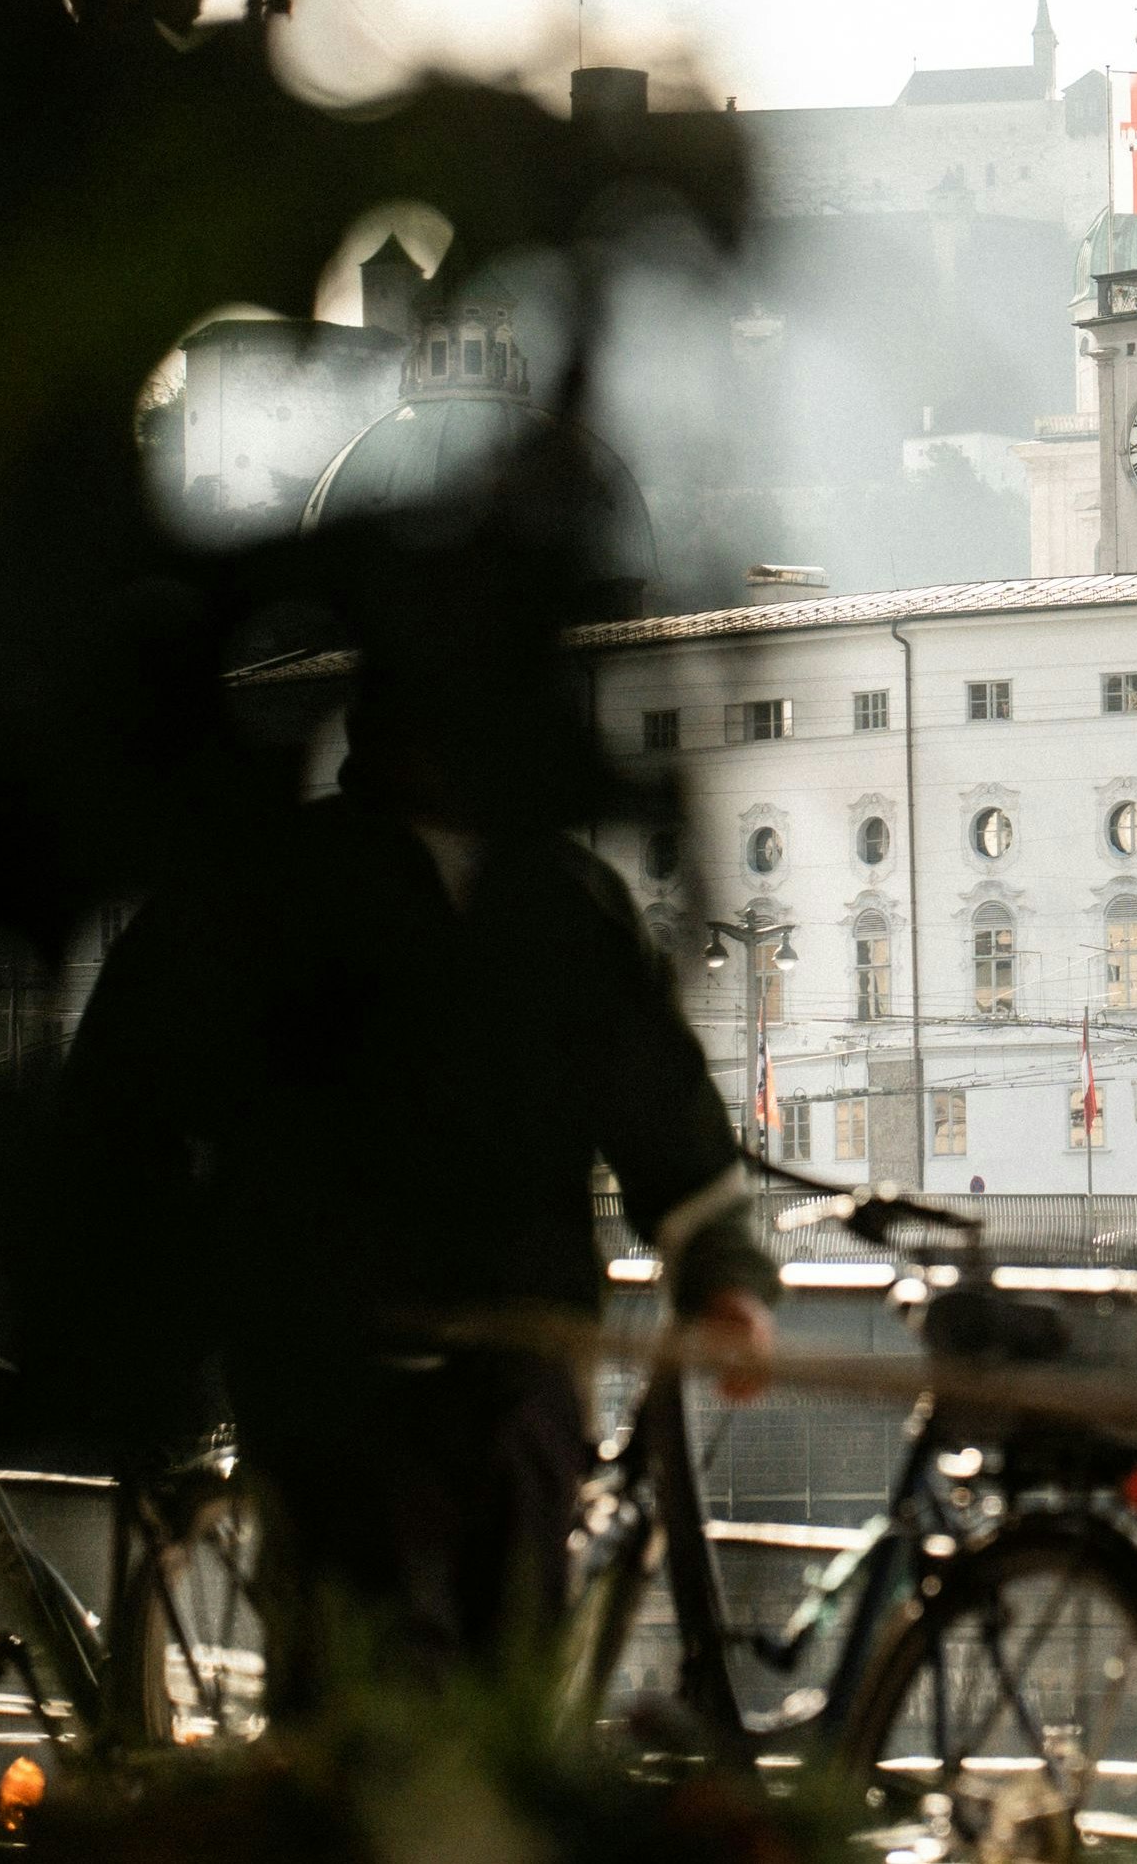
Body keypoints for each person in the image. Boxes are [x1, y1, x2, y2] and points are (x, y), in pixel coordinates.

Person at [58, 638, 776, 1717]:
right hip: (364, 1374)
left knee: (451, 1702)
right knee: (415, 1707)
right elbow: (665, 1115)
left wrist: (721, 1269)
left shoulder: (496, 896)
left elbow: (655, 1104)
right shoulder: (516, 897)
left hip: (472, 1368)